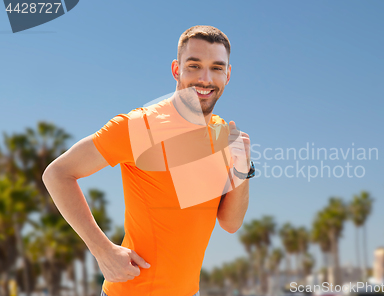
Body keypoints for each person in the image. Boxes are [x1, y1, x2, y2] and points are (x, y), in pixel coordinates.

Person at [42, 25, 255, 296]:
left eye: (216, 67)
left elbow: (230, 223)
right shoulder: (138, 125)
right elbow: (57, 174)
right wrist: (102, 250)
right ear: (176, 70)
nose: (205, 78)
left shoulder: (223, 132)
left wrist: (243, 167)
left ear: (228, 74)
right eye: (194, 65)